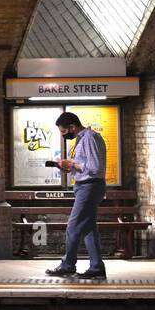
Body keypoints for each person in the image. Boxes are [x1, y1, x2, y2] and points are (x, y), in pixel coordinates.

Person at [46, 112, 108, 279]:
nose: (64, 135)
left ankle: (68, 265)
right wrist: (69, 167)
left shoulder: (89, 138)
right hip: (86, 186)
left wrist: (72, 163)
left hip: (90, 187)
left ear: (72, 127)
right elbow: (86, 166)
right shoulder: (83, 139)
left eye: (64, 132)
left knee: (73, 226)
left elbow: (94, 168)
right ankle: (96, 267)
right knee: (88, 228)